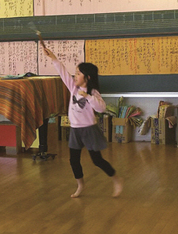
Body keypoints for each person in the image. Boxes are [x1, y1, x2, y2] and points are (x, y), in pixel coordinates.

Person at [43, 47, 123, 198]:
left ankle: (116, 179)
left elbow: (101, 108)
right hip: (75, 130)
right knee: (73, 160)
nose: (75, 75)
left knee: (97, 160)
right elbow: (62, 72)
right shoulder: (73, 88)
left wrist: (87, 96)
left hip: (89, 130)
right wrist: (52, 57)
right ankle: (80, 185)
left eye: (79, 73)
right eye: (76, 72)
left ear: (88, 78)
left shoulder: (93, 93)